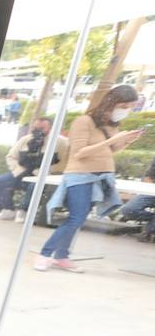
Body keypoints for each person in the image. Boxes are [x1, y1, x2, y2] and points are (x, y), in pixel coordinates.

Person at [37, 84, 144, 272]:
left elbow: (111, 151)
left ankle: (61, 256)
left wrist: (127, 141)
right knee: (76, 218)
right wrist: (111, 140)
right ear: (113, 102)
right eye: (125, 106)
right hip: (80, 176)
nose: (126, 111)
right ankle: (46, 254)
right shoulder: (83, 121)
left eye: (130, 107)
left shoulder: (111, 125)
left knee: (78, 218)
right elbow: (79, 153)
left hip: (100, 178)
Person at [0, 116, 69, 220]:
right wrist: (18, 170)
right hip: (23, 172)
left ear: (50, 128)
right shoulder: (25, 140)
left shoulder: (61, 142)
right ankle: (8, 209)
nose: (37, 130)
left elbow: (63, 163)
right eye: (35, 127)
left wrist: (44, 171)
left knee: (34, 185)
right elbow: (11, 156)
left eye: (42, 128)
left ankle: (23, 211)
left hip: (43, 176)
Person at [110, 153, 155, 242]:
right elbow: (148, 177)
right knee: (129, 210)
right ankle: (152, 224)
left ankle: (149, 231)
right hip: (152, 191)